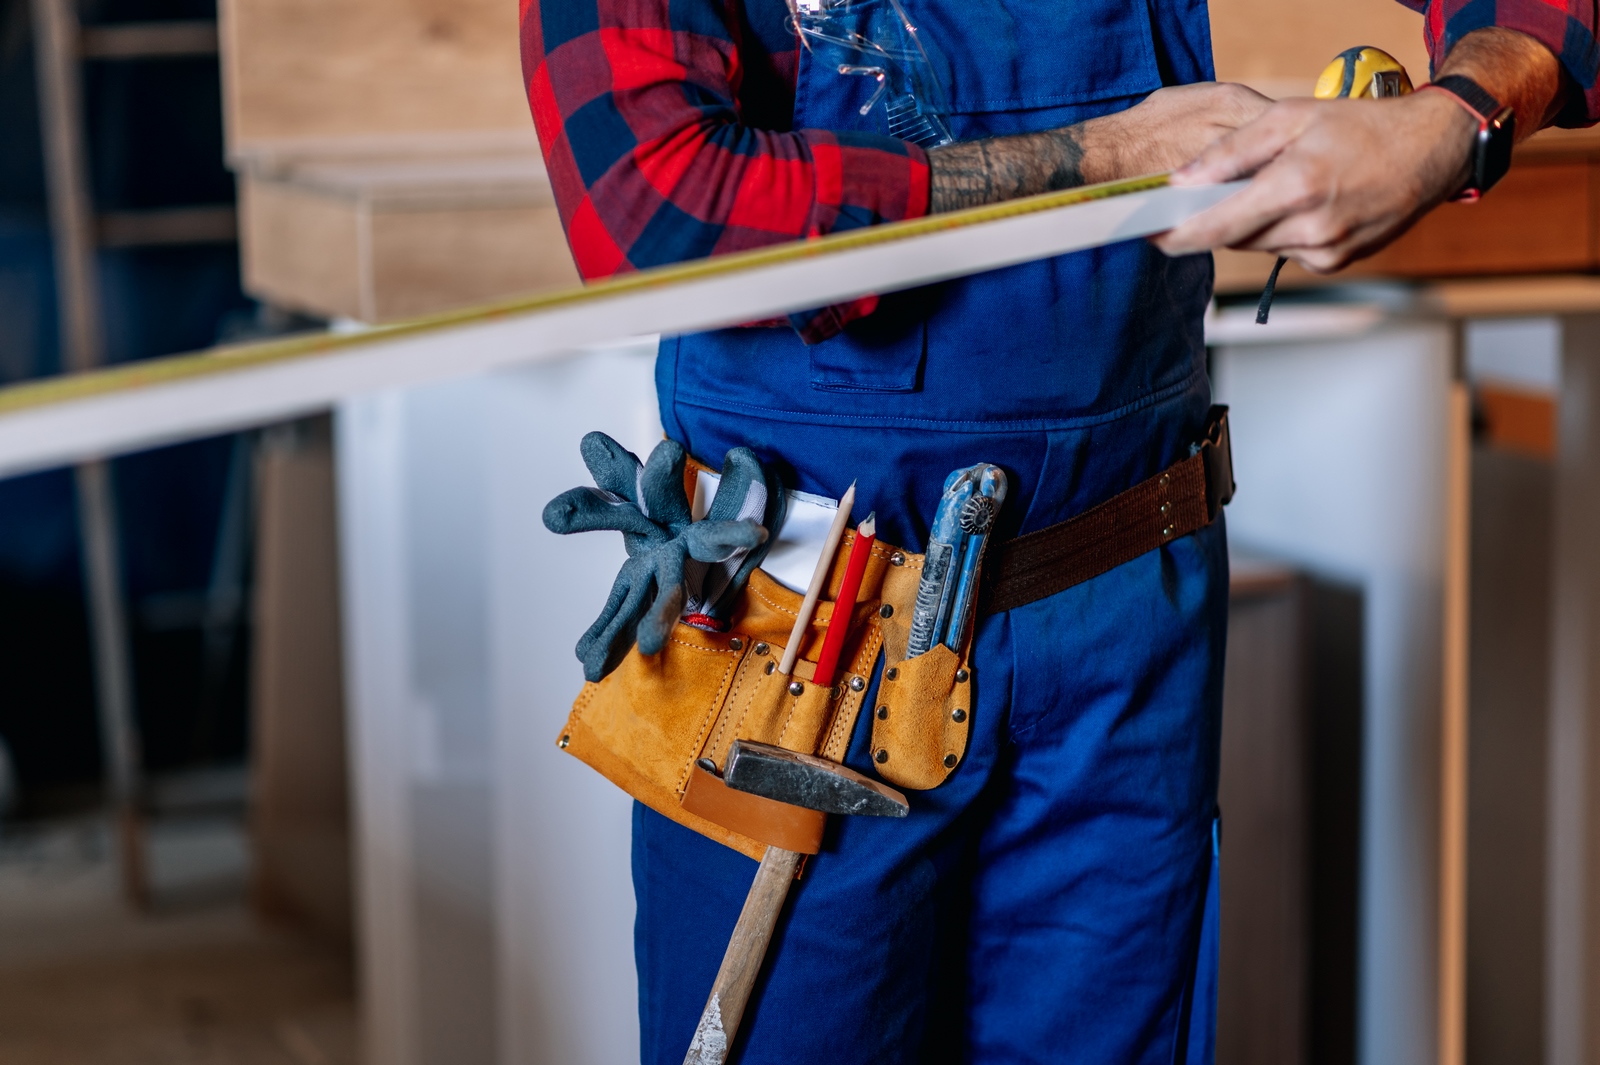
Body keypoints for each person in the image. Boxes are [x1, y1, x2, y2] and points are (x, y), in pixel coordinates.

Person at [521, 0, 1587, 1061]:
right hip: (805, 653)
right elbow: (651, 208)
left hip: (1127, 633)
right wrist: (1102, 155)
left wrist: (1457, 117)